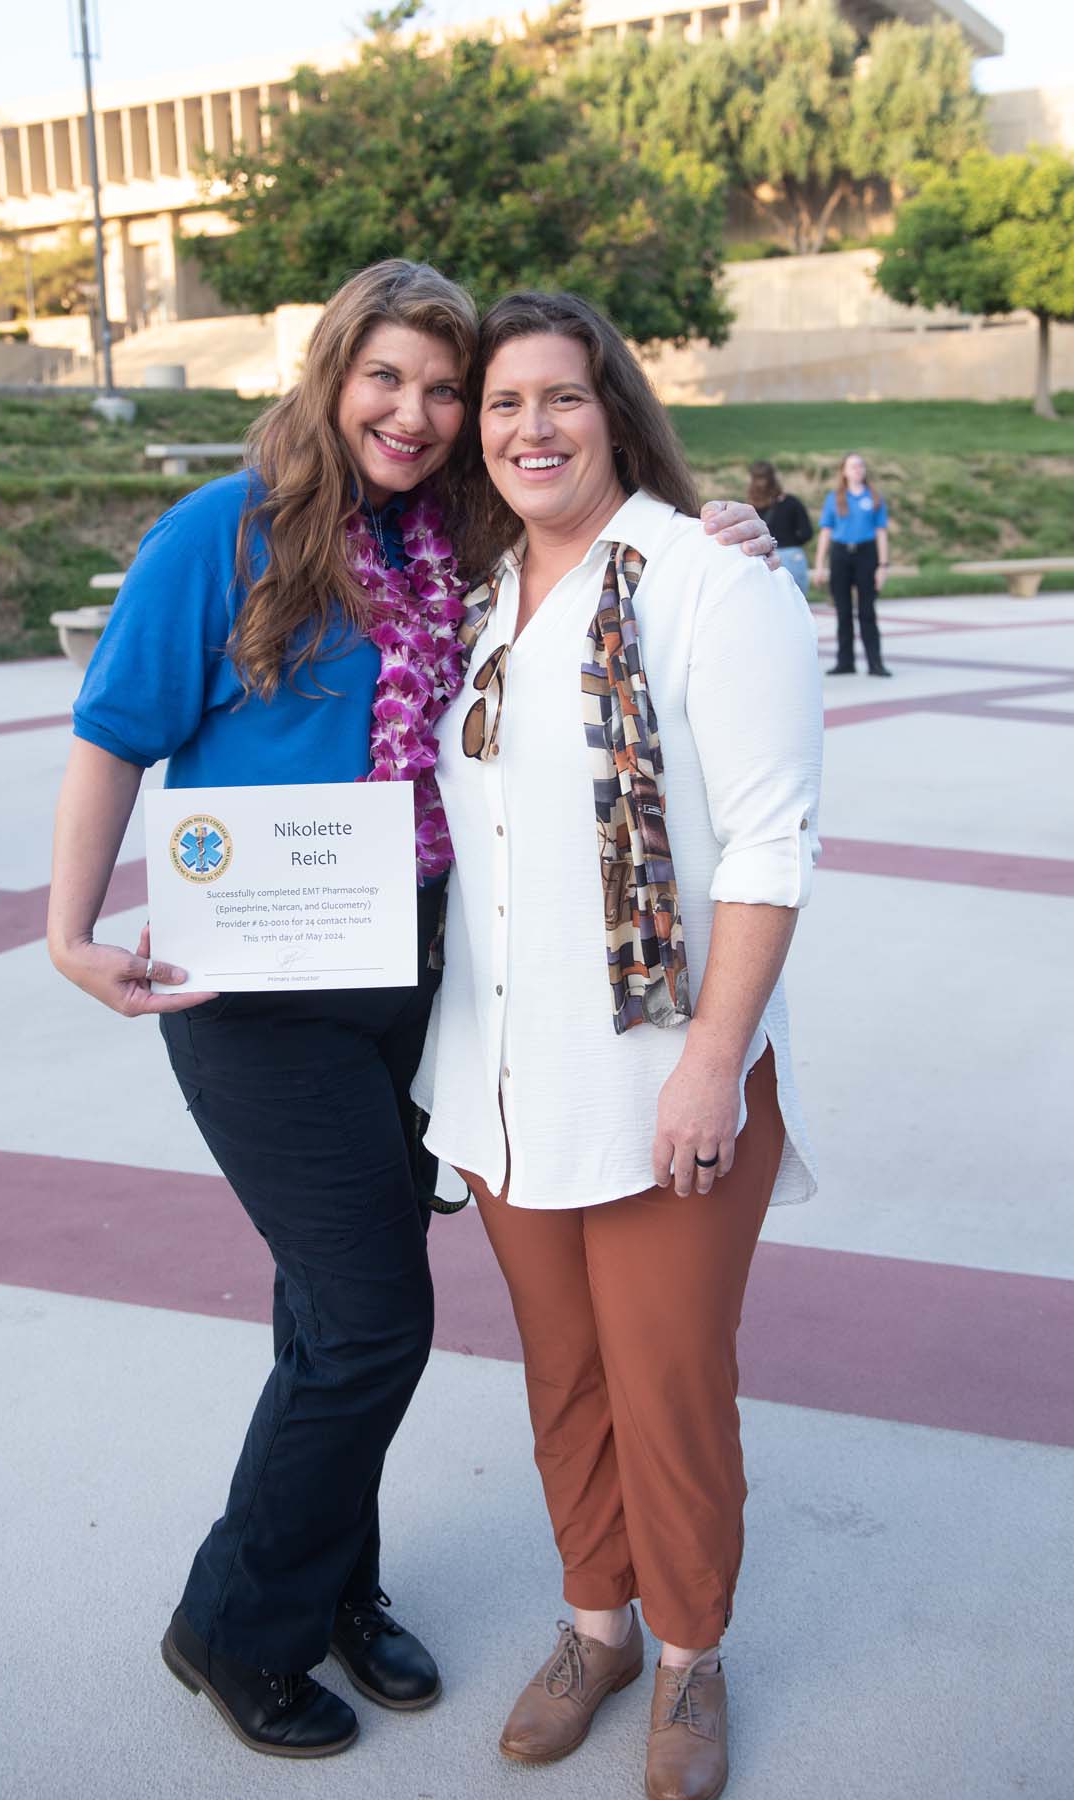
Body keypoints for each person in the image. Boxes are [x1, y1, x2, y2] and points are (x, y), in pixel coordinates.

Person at [46, 259, 781, 1765]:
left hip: (414, 978)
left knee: (329, 1310)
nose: (423, 412)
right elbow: (113, 735)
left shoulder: (452, 548)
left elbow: (601, 549)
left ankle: (336, 1588)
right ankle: (237, 1621)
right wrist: (65, 930)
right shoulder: (221, 536)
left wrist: (723, 534)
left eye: (451, 391)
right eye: (394, 378)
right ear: (329, 376)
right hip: (259, 992)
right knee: (375, 1321)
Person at [415, 291, 822, 1800]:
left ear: (616, 411)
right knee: (565, 1374)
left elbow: (770, 844)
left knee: (667, 1379)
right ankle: (594, 1625)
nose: (531, 427)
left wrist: (712, 1063)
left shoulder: (710, 584)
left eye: (560, 399)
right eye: (504, 403)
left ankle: (691, 1656)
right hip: (509, 1083)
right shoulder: (474, 609)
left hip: (667, 1076)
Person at [813, 451, 891, 676]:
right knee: (843, 611)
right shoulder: (834, 498)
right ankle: (845, 661)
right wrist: (820, 564)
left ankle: (875, 663)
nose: (858, 469)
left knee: (867, 611)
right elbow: (825, 533)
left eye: (861, 466)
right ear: (844, 471)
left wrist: (883, 566)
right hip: (841, 555)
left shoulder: (874, 497)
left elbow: (881, 532)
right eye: (853, 466)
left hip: (866, 555)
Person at [747, 459, 812, 598]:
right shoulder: (791, 502)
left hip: (763, 558)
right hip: (791, 554)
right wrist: (791, 541)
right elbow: (807, 533)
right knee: (798, 606)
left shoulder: (748, 508)